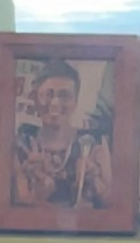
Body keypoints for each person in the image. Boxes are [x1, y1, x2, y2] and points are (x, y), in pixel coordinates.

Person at [9, 56, 113, 215]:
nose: (55, 103)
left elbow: (113, 204)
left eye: (64, 95)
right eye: (48, 95)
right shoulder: (23, 145)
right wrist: (38, 190)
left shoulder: (93, 145)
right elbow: (16, 208)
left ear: (76, 101)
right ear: (35, 99)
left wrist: (94, 181)